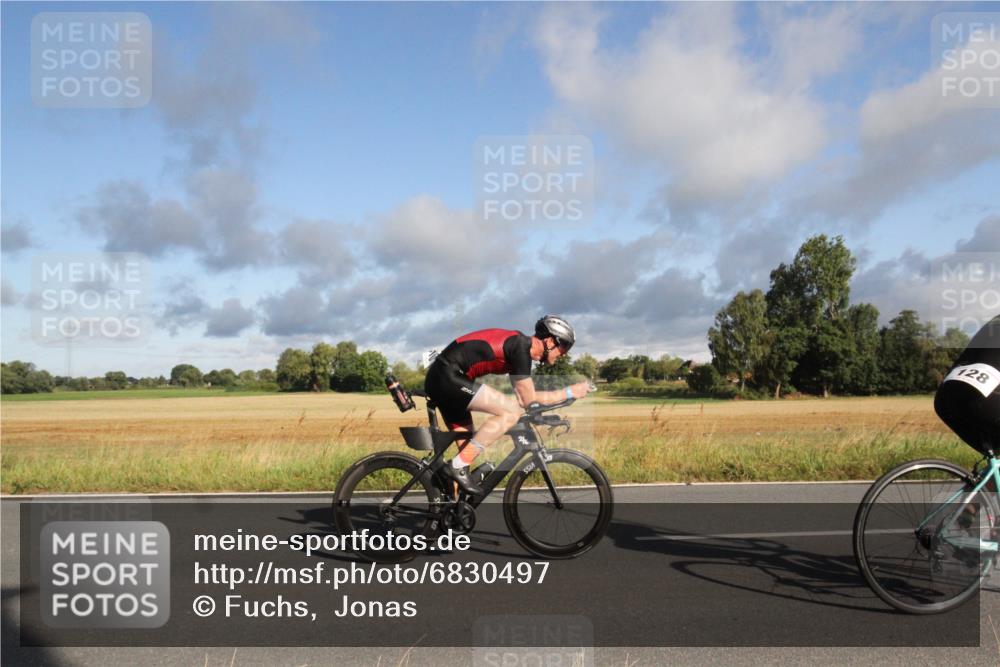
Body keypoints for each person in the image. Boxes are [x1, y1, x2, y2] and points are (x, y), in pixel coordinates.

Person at [424, 315, 590, 495]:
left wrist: (549, 408)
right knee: (510, 413)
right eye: (564, 346)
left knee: (467, 451)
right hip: (448, 377)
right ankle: (456, 468)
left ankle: (450, 513)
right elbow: (527, 400)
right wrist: (568, 392)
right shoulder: (520, 345)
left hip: (445, 378)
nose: (564, 353)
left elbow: (525, 399)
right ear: (549, 341)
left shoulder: (519, 351)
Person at [935, 314, 1000, 456]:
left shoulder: (995, 320)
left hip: (946, 397)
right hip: (981, 398)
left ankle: (988, 477)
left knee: (995, 460)